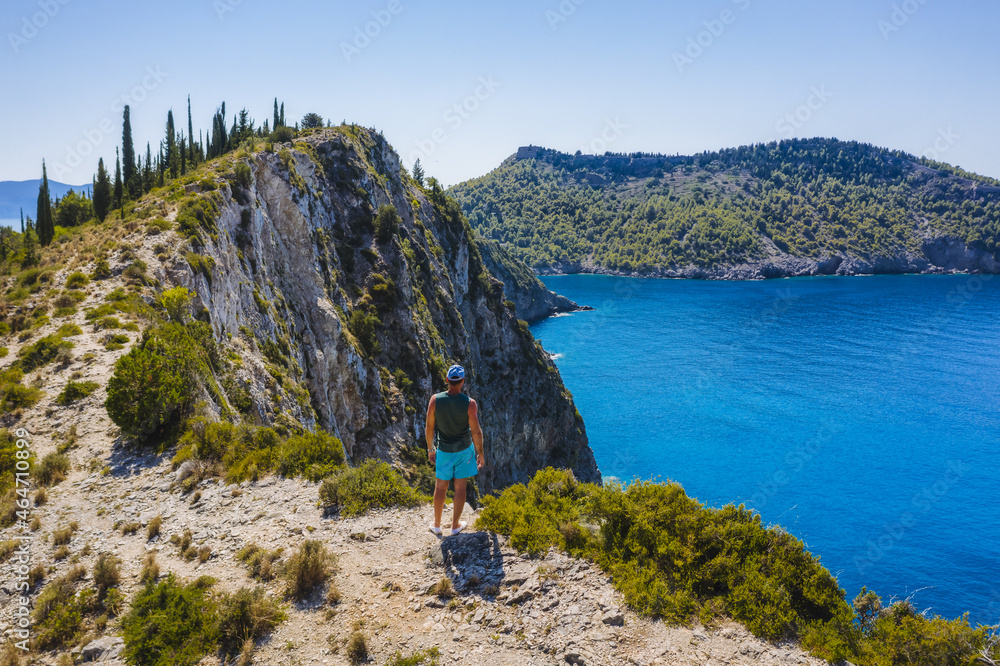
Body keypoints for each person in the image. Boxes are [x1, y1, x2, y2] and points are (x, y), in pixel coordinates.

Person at [425, 364, 484, 536]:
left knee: (440, 487)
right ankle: (455, 525)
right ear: (463, 381)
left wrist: (430, 449)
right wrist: (480, 453)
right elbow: (476, 431)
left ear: (447, 380)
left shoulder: (435, 400)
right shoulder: (470, 404)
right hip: (464, 451)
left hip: (443, 450)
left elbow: (429, 427)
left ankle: (436, 524)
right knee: (460, 488)